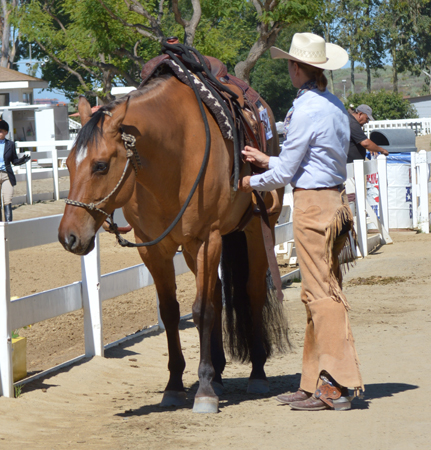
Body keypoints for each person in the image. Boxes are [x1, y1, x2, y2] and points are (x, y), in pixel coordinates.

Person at [238, 32, 363, 411]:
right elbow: (308, 161)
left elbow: (287, 173)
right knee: (318, 291)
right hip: (333, 201)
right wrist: (266, 159)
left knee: (321, 295)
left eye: (290, 64)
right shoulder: (331, 104)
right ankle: (314, 381)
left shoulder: (307, 108)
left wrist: (249, 180)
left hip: (314, 207)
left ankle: (337, 385)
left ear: (297, 68)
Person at [0, 119, 30, 222]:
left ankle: (9, 227)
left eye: (0, 131)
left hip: (6, 175)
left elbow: (14, 160)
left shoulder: (10, 145)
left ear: (6, 132)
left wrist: (22, 160)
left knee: (7, 200)